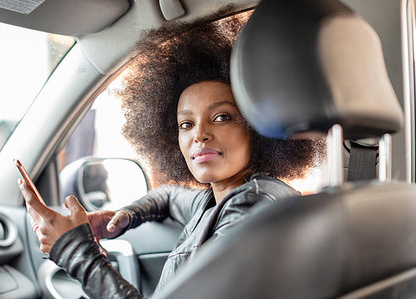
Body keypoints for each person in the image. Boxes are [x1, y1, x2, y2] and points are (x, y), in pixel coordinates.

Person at [18, 11, 323, 299]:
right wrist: (123, 216)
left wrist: (75, 250)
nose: (198, 134)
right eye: (186, 124)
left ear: (255, 127)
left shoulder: (249, 210)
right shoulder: (221, 199)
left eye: (221, 117)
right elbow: (168, 196)